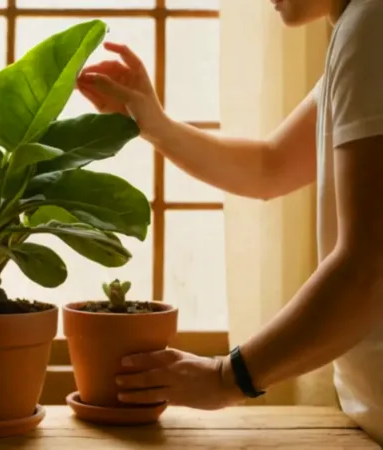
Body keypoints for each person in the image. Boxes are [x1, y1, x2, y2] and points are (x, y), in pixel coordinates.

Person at [76, 0, 383, 443]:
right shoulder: (362, 28)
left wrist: (225, 377)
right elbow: (269, 167)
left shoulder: (372, 26)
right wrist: (154, 124)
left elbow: (368, 268)